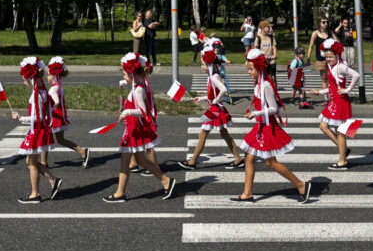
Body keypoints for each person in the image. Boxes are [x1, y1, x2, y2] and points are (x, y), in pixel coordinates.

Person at [230, 48, 311, 204]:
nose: (249, 72)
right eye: (248, 69)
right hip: (261, 126)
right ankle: (247, 193)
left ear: (259, 68)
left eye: (251, 69)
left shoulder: (266, 85)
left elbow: (275, 109)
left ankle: (301, 185)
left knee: (270, 162)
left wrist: (256, 113)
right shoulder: (258, 84)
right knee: (249, 157)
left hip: (268, 127)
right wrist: (255, 114)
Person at [104, 53, 176, 202]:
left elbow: (143, 112)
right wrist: (124, 83)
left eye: (125, 74)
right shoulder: (137, 84)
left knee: (128, 160)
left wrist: (127, 111)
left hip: (134, 130)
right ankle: (165, 181)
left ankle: (121, 193)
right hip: (131, 129)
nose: (123, 76)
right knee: (139, 160)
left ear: (132, 74)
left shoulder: (138, 89)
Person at [177, 47, 244, 170]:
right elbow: (212, 94)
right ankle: (238, 159)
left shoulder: (213, 76)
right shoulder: (212, 75)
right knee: (224, 134)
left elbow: (223, 89)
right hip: (216, 109)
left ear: (209, 64)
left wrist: (216, 100)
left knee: (202, 133)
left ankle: (192, 162)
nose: (202, 67)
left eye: (203, 64)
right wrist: (202, 98)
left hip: (215, 110)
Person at [11, 57, 64, 203]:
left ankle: (35, 194)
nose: (24, 83)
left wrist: (20, 118)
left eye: (24, 80)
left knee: (32, 163)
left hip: (37, 131)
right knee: (30, 159)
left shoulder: (36, 95)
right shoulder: (43, 90)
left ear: (30, 79)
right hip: (40, 130)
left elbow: (37, 117)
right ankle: (53, 180)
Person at [309, 38, 360, 169]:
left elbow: (356, 75)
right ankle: (343, 150)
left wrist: (348, 89)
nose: (328, 59)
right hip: (334, 101)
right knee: (323, 126)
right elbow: (332, 87)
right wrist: (320, 92)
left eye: (331, 56)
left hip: (341, 101)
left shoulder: (341, 66)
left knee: (340, 132)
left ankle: (342, 161)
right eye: (326, 57)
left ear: (337, 55)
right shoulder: (332, 66)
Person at [38, 56, 90, 169]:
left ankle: (43, 163)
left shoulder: (53, 89)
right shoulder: (58, 86)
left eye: (48, 74)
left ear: (54, 75)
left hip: (54, 118)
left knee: (45, 138)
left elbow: (56, 102)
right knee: (60, 140)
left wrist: (49, 112)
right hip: (60, 116)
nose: (47, 77)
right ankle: (82, 151)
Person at [307, 16, 335, 90]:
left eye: (327, 22)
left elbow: (337, 42)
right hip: (321, 59)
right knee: (324, 79)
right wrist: (308, 58)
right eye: (323, 22)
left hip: (331, 58)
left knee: (333, 78)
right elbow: (311, 46)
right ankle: (326, 99)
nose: (326, 24)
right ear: (319, 23)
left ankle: (333, 96)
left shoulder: (330, 32)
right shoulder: (315, 33)